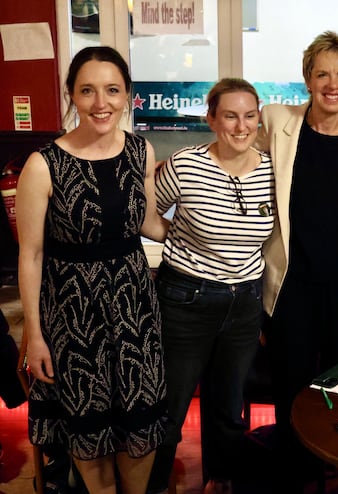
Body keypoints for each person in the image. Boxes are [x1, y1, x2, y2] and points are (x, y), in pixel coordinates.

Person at [16, 46, 169, 494]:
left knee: (138, 432)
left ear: (127, 96)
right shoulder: (43, 164)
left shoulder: (141, 150)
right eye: (87, 91)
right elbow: (31, 256)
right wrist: (36, 335)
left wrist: (204, 222)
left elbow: (146, 222)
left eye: (112, 90)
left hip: (135, 311)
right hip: (72, 317)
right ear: (71, 95)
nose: (101, 103)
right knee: (88, 435)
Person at [255, 31, 338, 493]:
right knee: (292, 388)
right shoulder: (276, 121)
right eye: (323, 73)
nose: (333, 83)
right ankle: (297, 474)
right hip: (290, 285)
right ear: (307, 78)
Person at [146, 78, 275, 494]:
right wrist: (181, 238)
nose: (241, 126)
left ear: (259, 118)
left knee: (228, 410)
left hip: (244, 303)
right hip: (186, 299)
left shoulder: (274, 170)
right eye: (230, 116)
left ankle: (221, 483)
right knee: (171, 408)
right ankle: (154, 484)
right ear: (212, 119)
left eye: (249, 116)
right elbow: (148, 216)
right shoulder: (187, 164)